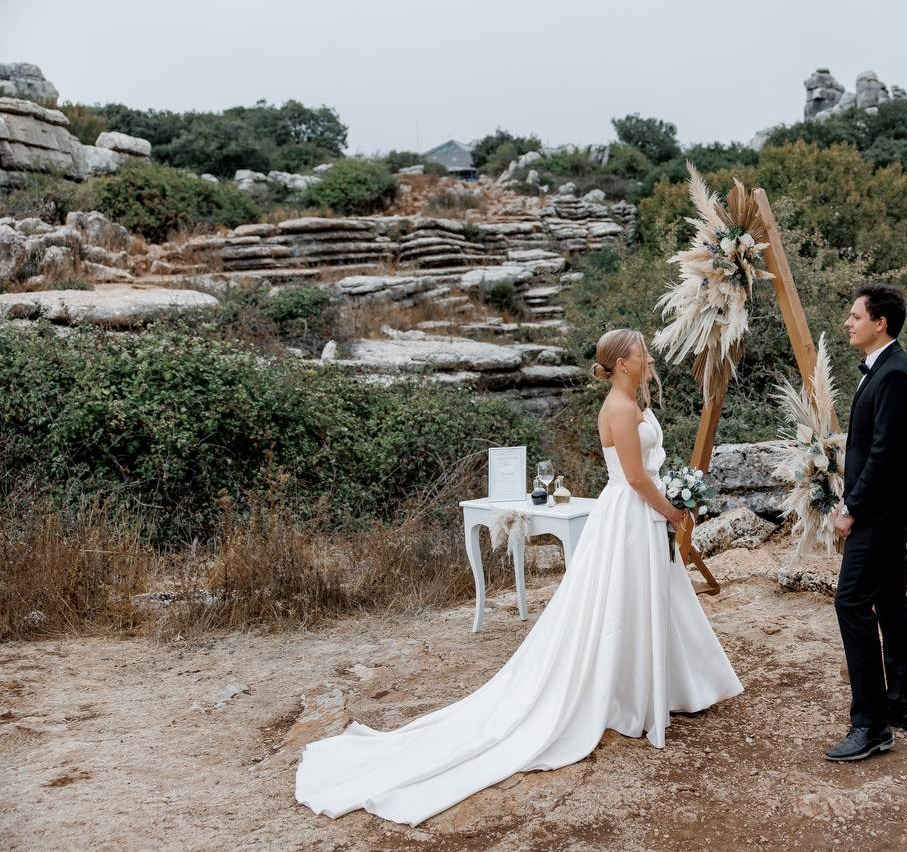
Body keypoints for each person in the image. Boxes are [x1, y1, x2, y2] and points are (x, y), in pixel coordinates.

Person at [295, 328, 742, 826]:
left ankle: (664, 687)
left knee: (652, 599)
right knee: (625, 602)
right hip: (634, 514)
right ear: (621, 363)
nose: (649, 358)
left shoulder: (629, 401)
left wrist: (670, 497)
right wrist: (673, 512)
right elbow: (636, 478)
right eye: (641, 353)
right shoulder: (617, 408)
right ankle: (630, 695)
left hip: (640, 514)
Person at [826, 282, 907, 762]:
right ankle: (902, 706)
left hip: (881, 511)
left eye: (855, 316)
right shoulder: (883, 369)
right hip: (886, 507)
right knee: (889, 601)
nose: (849, 322)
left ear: (879, 322)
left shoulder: (897, 374)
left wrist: (851, 507)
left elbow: (887, 454)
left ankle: (870, 725)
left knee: (850, 603)